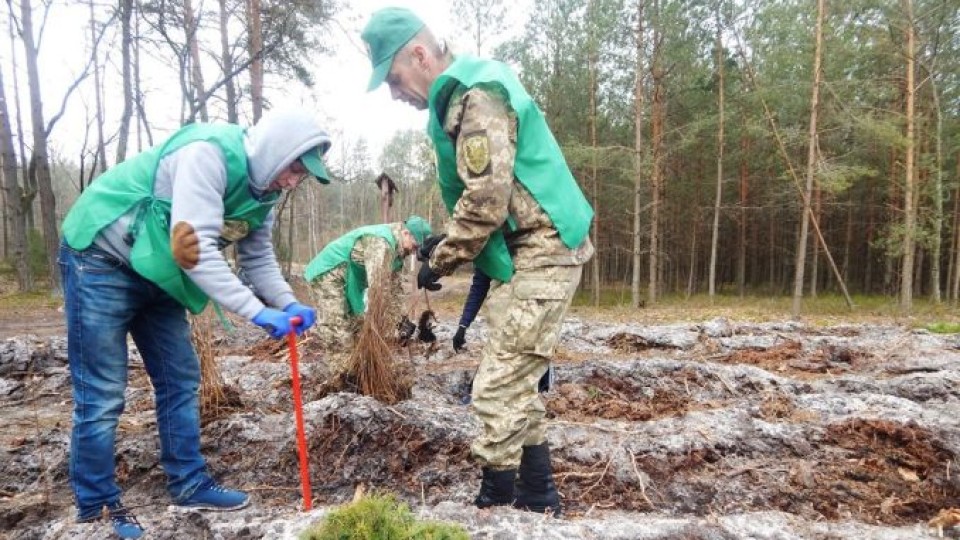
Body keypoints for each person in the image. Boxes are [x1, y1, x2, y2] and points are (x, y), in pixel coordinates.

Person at [363, 8, 594, 517]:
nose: (394, 93)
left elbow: (488, 197)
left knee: (495, 385)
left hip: (545, 247)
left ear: (419, 55)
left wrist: (441, 260)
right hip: (522, 252)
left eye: (394, 78)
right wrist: (448, 244)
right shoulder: (459, 100)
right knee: (517, 380)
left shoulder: (477, 95)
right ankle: (538, 496)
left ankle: (494, 505)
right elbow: (488, 198)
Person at [58, 108, 331, 539]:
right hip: (101, 258)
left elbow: (257, 258)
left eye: (302, 175)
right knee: (103, 391)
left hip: (157, 270)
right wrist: (258, 313)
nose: (293, 181)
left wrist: (287, 302)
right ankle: (97, 508)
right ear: (277, 151)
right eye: (294, 167)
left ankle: (188, 483)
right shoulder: (207, 155)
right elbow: (198, 250)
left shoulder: (264, 196)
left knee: (180, 377)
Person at [303, 216, 431, 349]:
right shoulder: (381, 242)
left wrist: (401, 321)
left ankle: (356, 365)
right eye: (415, 246)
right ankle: (342, 369)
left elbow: (394, 291)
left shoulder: (397, 253)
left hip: (349, 280)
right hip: (327, 273)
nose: (414, 252)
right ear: (406, 233)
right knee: (338, 328)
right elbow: (378, 287)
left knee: (356, 327)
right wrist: (381, 323)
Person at [454, 268, 552, 403]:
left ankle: (539, 390)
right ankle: (477, 392)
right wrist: (463, 325)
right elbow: (479, 287)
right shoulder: (487, 251)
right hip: (503, 316)